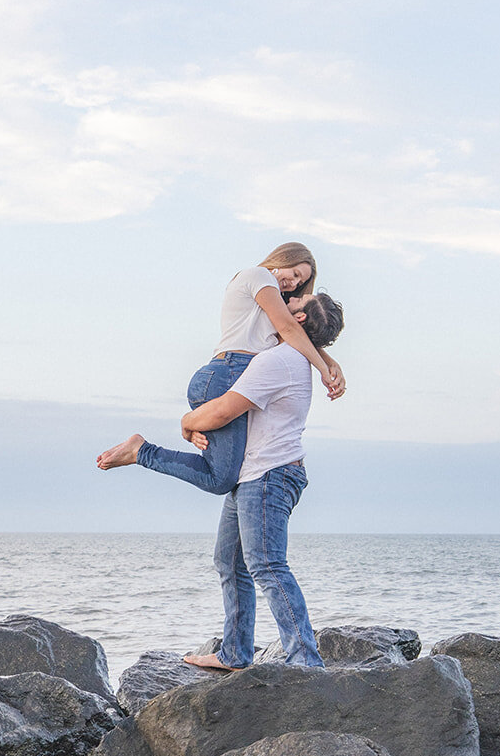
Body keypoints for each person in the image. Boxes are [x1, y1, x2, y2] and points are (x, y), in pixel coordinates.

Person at [180, 289, 345, 670]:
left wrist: (187, 423)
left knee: (268, 566)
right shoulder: (288, 355)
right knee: (229, 562)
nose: (282, 303)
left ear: (299, 320)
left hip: (269, 475)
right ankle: (235, 653)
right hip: (253, 474)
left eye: (293, 303)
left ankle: (305, 661)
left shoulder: (282, 360)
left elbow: (223, 411)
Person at [96, 242, 344, 491]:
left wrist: (330, 362)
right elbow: (289, 328)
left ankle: (159, 444)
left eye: (300, 284)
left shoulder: (274, 303)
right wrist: (324, 369)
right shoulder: (260, 277)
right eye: (296, 274)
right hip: (230, 372)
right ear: (283, 260)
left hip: (231, 375)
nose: (294, 284)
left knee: (230, 471)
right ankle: (142, 451)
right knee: (221, 479)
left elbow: (294, 334)